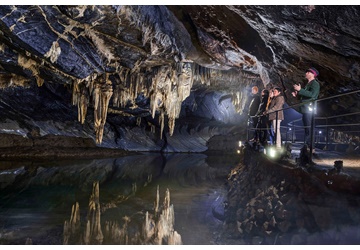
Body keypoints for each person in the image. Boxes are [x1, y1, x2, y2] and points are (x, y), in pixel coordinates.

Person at [292, 67, 320, 148]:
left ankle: (310, 147)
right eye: (307, 72)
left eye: (308, 72)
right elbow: (304, 96)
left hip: (309, 109)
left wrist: (300, 90)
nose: (306, 73)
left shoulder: (315, 84)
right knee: (307, 128)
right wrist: (297, 95)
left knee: (309, 128)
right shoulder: (308, 84)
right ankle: (308, 146)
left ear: (312, 74)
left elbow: (312, 95)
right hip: (306, 108)